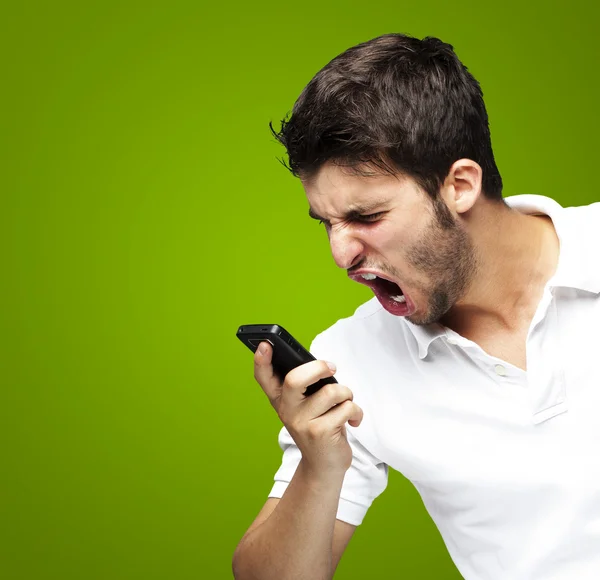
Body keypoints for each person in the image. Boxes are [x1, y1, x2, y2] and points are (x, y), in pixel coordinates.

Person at [231, 32, 600, 580]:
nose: (341, 254)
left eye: (366, 217)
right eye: (327, 224)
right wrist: (319, 466)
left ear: (459, 184)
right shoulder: (347, 366)